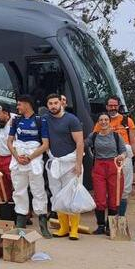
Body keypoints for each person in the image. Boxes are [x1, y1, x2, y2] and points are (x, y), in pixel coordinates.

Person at [6, 95, 51, 236]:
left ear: (27, 104)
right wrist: (17, 156)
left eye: (19, 104)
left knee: (38, 190)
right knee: (19, 190)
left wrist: (30, 157)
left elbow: (45, 144)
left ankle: (43, 223)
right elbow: (9, 142)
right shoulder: (16, 120)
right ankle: (21, 222)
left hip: (34, 159)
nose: (18, 107)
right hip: (18, 159)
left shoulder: (40, 120)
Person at [44, 94, 85, 240]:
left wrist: (79, 164)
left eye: (56, 103)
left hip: (71, 163)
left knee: (72, 195)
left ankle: (74, 230)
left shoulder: (71, 119)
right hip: (55, 162)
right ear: (47, 105)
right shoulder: (45, 119)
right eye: (50, 103)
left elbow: (80, 143)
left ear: (61, 103)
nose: (53, 106)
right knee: (57, 195)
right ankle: (63, 228)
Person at [94, 95, 135, 216]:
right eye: (110, 105)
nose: (113, 108)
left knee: (125, 189)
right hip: (106, 158)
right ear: (106, 107)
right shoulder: (101, 122)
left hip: (124, 156)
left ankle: (120, 218)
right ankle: (108, 219)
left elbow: (133, 142)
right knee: (109, 189)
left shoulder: (127, 121)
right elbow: (94, 139)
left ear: (118, 106)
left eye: (115, 105)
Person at [86, 113, 128, 235]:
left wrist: (122, 156)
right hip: (99, 167)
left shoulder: (116, 136)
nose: (103, 122)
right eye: (101, 120)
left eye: (106, 119)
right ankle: (100, 225)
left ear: (109, 121)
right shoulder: (93, 136)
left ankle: (111, 225)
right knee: (100, 198)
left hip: (114, 166)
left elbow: (124, 151)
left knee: (114, 197)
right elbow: (82, 144)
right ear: (98, 122)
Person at [0, 104, 16, 202]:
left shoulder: (15, 122)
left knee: (16, 184)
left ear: (6, 113)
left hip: (11, 158)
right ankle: (6, 210)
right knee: (0, 185)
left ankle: (23, 213)